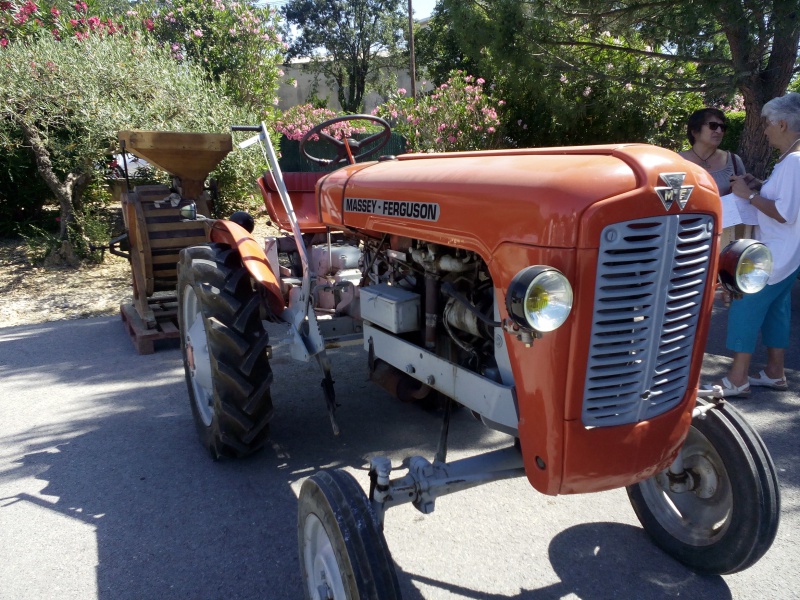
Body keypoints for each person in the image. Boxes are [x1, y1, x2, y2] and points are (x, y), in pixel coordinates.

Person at [714, 92, 800, 396]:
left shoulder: (793, 161)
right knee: (777, 309)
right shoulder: (791, 159)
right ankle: (775, 373)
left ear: (782, 122)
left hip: (773, 254)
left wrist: (747, 196)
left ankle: (737, 378)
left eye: (767, 123)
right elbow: (784, 200)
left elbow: (784, 213)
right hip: (787, 254)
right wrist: (760, 186)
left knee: (743, 304)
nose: (764, 129)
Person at [679, 108, 747, 247]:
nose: (719, 131)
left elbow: (742, 201)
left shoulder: (733, 161)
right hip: (686, 235)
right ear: (694, 131)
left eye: (722, 127)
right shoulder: (677, 161)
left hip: (724, 237)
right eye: (713, 126)